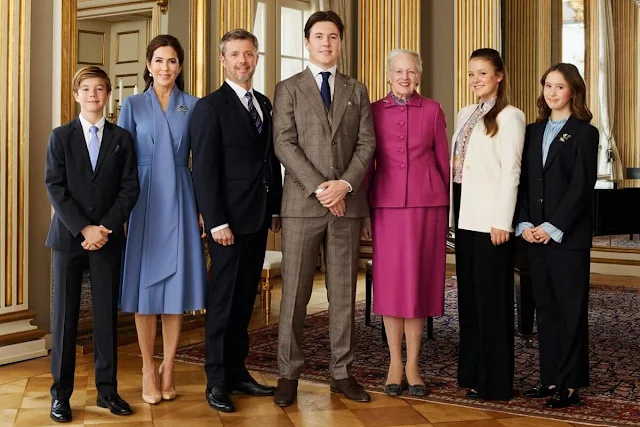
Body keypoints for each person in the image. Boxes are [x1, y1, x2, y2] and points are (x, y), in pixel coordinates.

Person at [272, 11, 376, 407]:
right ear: (307, 41)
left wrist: (345, 185)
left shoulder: (356, 89)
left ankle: (342, 372)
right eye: (319, 36)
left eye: (333, 36)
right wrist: (321, 188)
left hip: (346, 205)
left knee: (343, 294)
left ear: (341, 42)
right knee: (295, 293)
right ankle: (288, 374)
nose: (327, 43)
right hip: (303, 203)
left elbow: (366, 143)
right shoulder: (289, 88)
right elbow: (284, 144)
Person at [190, 29, 283, 413]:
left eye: (249, 54)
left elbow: (269, 161)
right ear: (223, 60)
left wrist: (275, 207)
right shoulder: (209, 107)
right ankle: (216, 381)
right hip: (226, 223)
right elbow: (204, 169)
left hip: (258, 218)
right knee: (224, 302)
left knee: (244, 300)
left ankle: (237, 372)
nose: (243, 60)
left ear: (256, 58)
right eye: (235, 54)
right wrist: (215, 222)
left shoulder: (263, 102)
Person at [45, 66, 139, 423]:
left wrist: (105, 228)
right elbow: (55, 187)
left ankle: (107, 391)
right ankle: (61, 396)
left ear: (108, 94)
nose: (94, 95)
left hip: (109, 239)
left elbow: (130, 188)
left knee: (105, 318)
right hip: (68, 239)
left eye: (100, 89)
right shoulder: (60, 137)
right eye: (87, 89)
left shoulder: (122, 138)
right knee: (65, 319)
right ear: (76, 94)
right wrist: (85, 228)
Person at [118, 35, 206, 405]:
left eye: (172, 61)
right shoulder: (132, 105)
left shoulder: (194, 105)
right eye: (159, 60)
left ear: (180, 66)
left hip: (183, 197)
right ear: (149, 65)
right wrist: (121, 210)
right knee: (146, 291)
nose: (165, 67)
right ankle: (146, 367)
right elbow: (121, 162)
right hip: (143, 198)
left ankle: (169, 365)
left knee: (175, 290)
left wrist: (204, 208)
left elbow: (200, 160)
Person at [361, 49, 449, 397]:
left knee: (417, 284)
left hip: (427, 207)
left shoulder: (433, 110)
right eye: (399, 71)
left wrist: (448, 213)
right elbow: (367, 165)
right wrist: (365, 211)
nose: (405, 77)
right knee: (391, 285)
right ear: (388, 75)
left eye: (411, 71)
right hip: (386, 207)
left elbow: (443, 161)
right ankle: (394, 363)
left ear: (419, 76)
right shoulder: (372, 112)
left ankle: (413, 365)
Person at [516, 63, 598, 409]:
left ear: (573, 91)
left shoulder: (584, 133)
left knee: (570, 310)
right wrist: (524, 224)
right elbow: (521, 183)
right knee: (545, 310)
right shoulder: (533, 132)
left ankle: (569, 385)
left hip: (567, 238)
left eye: (559, 86)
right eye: (547, 85)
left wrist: (552, 227)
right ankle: (549, 377)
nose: (551, 92)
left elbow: (581, 186)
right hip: (533, 235)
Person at [451, 48, 525, 401]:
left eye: (482, 73)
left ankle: (496, 383)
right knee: (469, 300)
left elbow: (511, 172)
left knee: (493, 304)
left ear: (499, 75)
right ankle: (473, 373)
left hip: (491, 223)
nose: (475, 80)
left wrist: (502, 221)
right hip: (465, 218)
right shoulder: (466, 113)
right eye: (471, 74)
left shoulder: (511, 116)